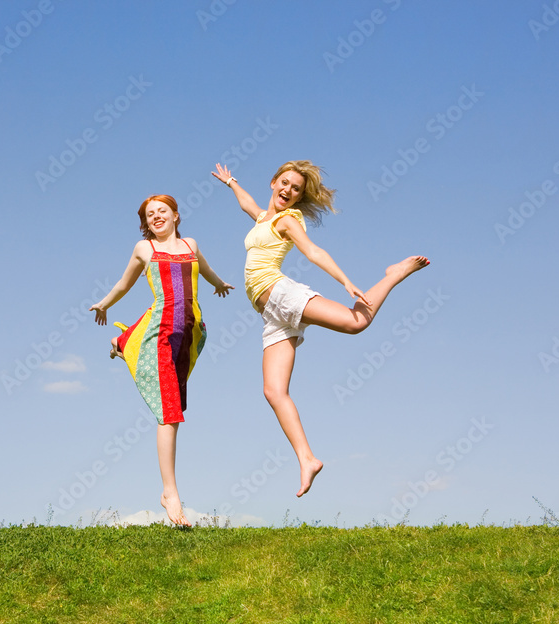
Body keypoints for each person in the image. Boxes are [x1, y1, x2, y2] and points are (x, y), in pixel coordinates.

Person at [212, 160, 429, 498]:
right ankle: (307, 459)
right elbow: (249, 204)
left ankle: (394, 274)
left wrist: (346, 281)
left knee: (356, 321)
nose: (288, 190)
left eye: (296, 189)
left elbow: (313, 251)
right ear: (273, 183)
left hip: (282, 295)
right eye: (284, 183)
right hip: (272, 314)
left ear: (299, 198)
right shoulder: (263, 218)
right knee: (273, 391)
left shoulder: (287, 220)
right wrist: (231, 182)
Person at [91, 194, 233, 527]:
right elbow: (124, 283)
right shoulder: (145, 250)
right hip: (160, 334)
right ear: (146, 222)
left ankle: (122, 341)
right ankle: (170, 493)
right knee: (169, 413)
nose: (156, 217)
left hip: (189, 332)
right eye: (149, 214)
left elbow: (207, 271)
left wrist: (219, 283)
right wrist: (103, 303)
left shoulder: (191, 245)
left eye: (162, 211)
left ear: (175, 216)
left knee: (174, 408)